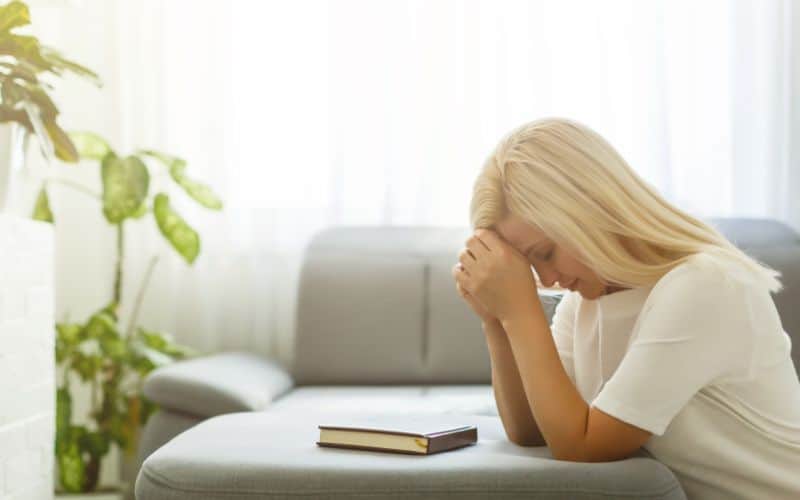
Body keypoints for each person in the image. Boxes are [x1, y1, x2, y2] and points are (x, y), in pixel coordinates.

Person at [452, 117, 800, 500]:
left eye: (545, 254)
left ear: (589, 210)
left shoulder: (703, 284)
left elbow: (584, 446)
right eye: (531, 267)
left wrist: (520, 312)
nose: (547, 280)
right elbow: (532, 431)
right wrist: (497, 320)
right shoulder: (585, 302)